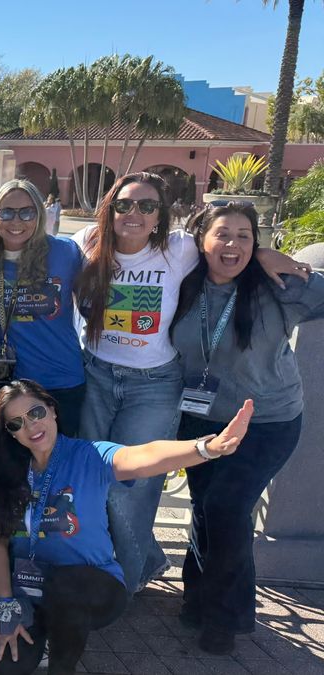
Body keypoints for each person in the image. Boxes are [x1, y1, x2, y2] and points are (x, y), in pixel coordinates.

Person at [71, 171, 304, 594]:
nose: (134, 213)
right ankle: (147, 557)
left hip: (154, 385)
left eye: (147, 206)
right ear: (110, 210)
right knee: (92, 477)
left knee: (132, 486)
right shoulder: (86, 243)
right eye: (124, 204)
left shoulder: (179, 249)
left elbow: (225, 246)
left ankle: (120, 586)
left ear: (160, 216)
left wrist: (264, 254)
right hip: (96, 375)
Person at [0, 379, 254, 675]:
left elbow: (144, 456)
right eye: (16, 424)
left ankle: (62, 667)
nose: (31, 426)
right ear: (10, 434)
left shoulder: (90, 456)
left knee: (64, 588)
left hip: (92, 587)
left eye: (35, 412)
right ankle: (46, 632)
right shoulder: (8, 472)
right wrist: (5, 607)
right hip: (28, 590)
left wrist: (206, 448)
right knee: (2, 663)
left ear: (52, 410)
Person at [169, 201, 324, 654]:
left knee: (227, 508)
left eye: (244, 235)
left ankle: (227, 617)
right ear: (202, 240)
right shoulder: (184, 285)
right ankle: (197, 598)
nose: (232, 244)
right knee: (204, 506)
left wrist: (285, 263)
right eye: (223, 233)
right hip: (200, 418)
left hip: (267, 422)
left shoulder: (275, 286)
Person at [0, 180, 84, 435]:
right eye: (7, 212)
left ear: (39, 214)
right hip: (7, 384)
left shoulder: (65, 252)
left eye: (27, 212)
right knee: (8, 470)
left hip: (59, 380)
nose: (16, 222)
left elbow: (94, 298)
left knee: (58, 466)